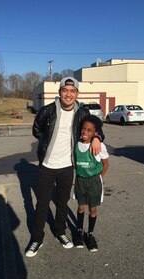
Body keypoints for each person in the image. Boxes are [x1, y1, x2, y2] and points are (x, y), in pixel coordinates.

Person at [25, 77, 104, 257]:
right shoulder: (48, 110)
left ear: (77, 94)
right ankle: (37, 238)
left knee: (62, 203)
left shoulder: (82, 113)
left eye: (72, 91)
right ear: (60, 92)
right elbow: (36, 130)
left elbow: (98, 128)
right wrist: (47, 141)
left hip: (67, 166)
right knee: (42, 204)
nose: (68, 94)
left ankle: (60, 232)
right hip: (47, 165)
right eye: (65, 90)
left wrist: (97, 138)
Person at [74, 115, 109, 252]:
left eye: (89, 130)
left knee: (92, 209)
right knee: (81, 207)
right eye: (83, 129)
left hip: (94, 181)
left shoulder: (99, 146)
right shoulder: (76, 145)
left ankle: (91, 234)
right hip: (80, 180)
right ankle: (79, 232)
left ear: (95, 133)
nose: (85, 132)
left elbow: (106, 163)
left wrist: (100, 176)